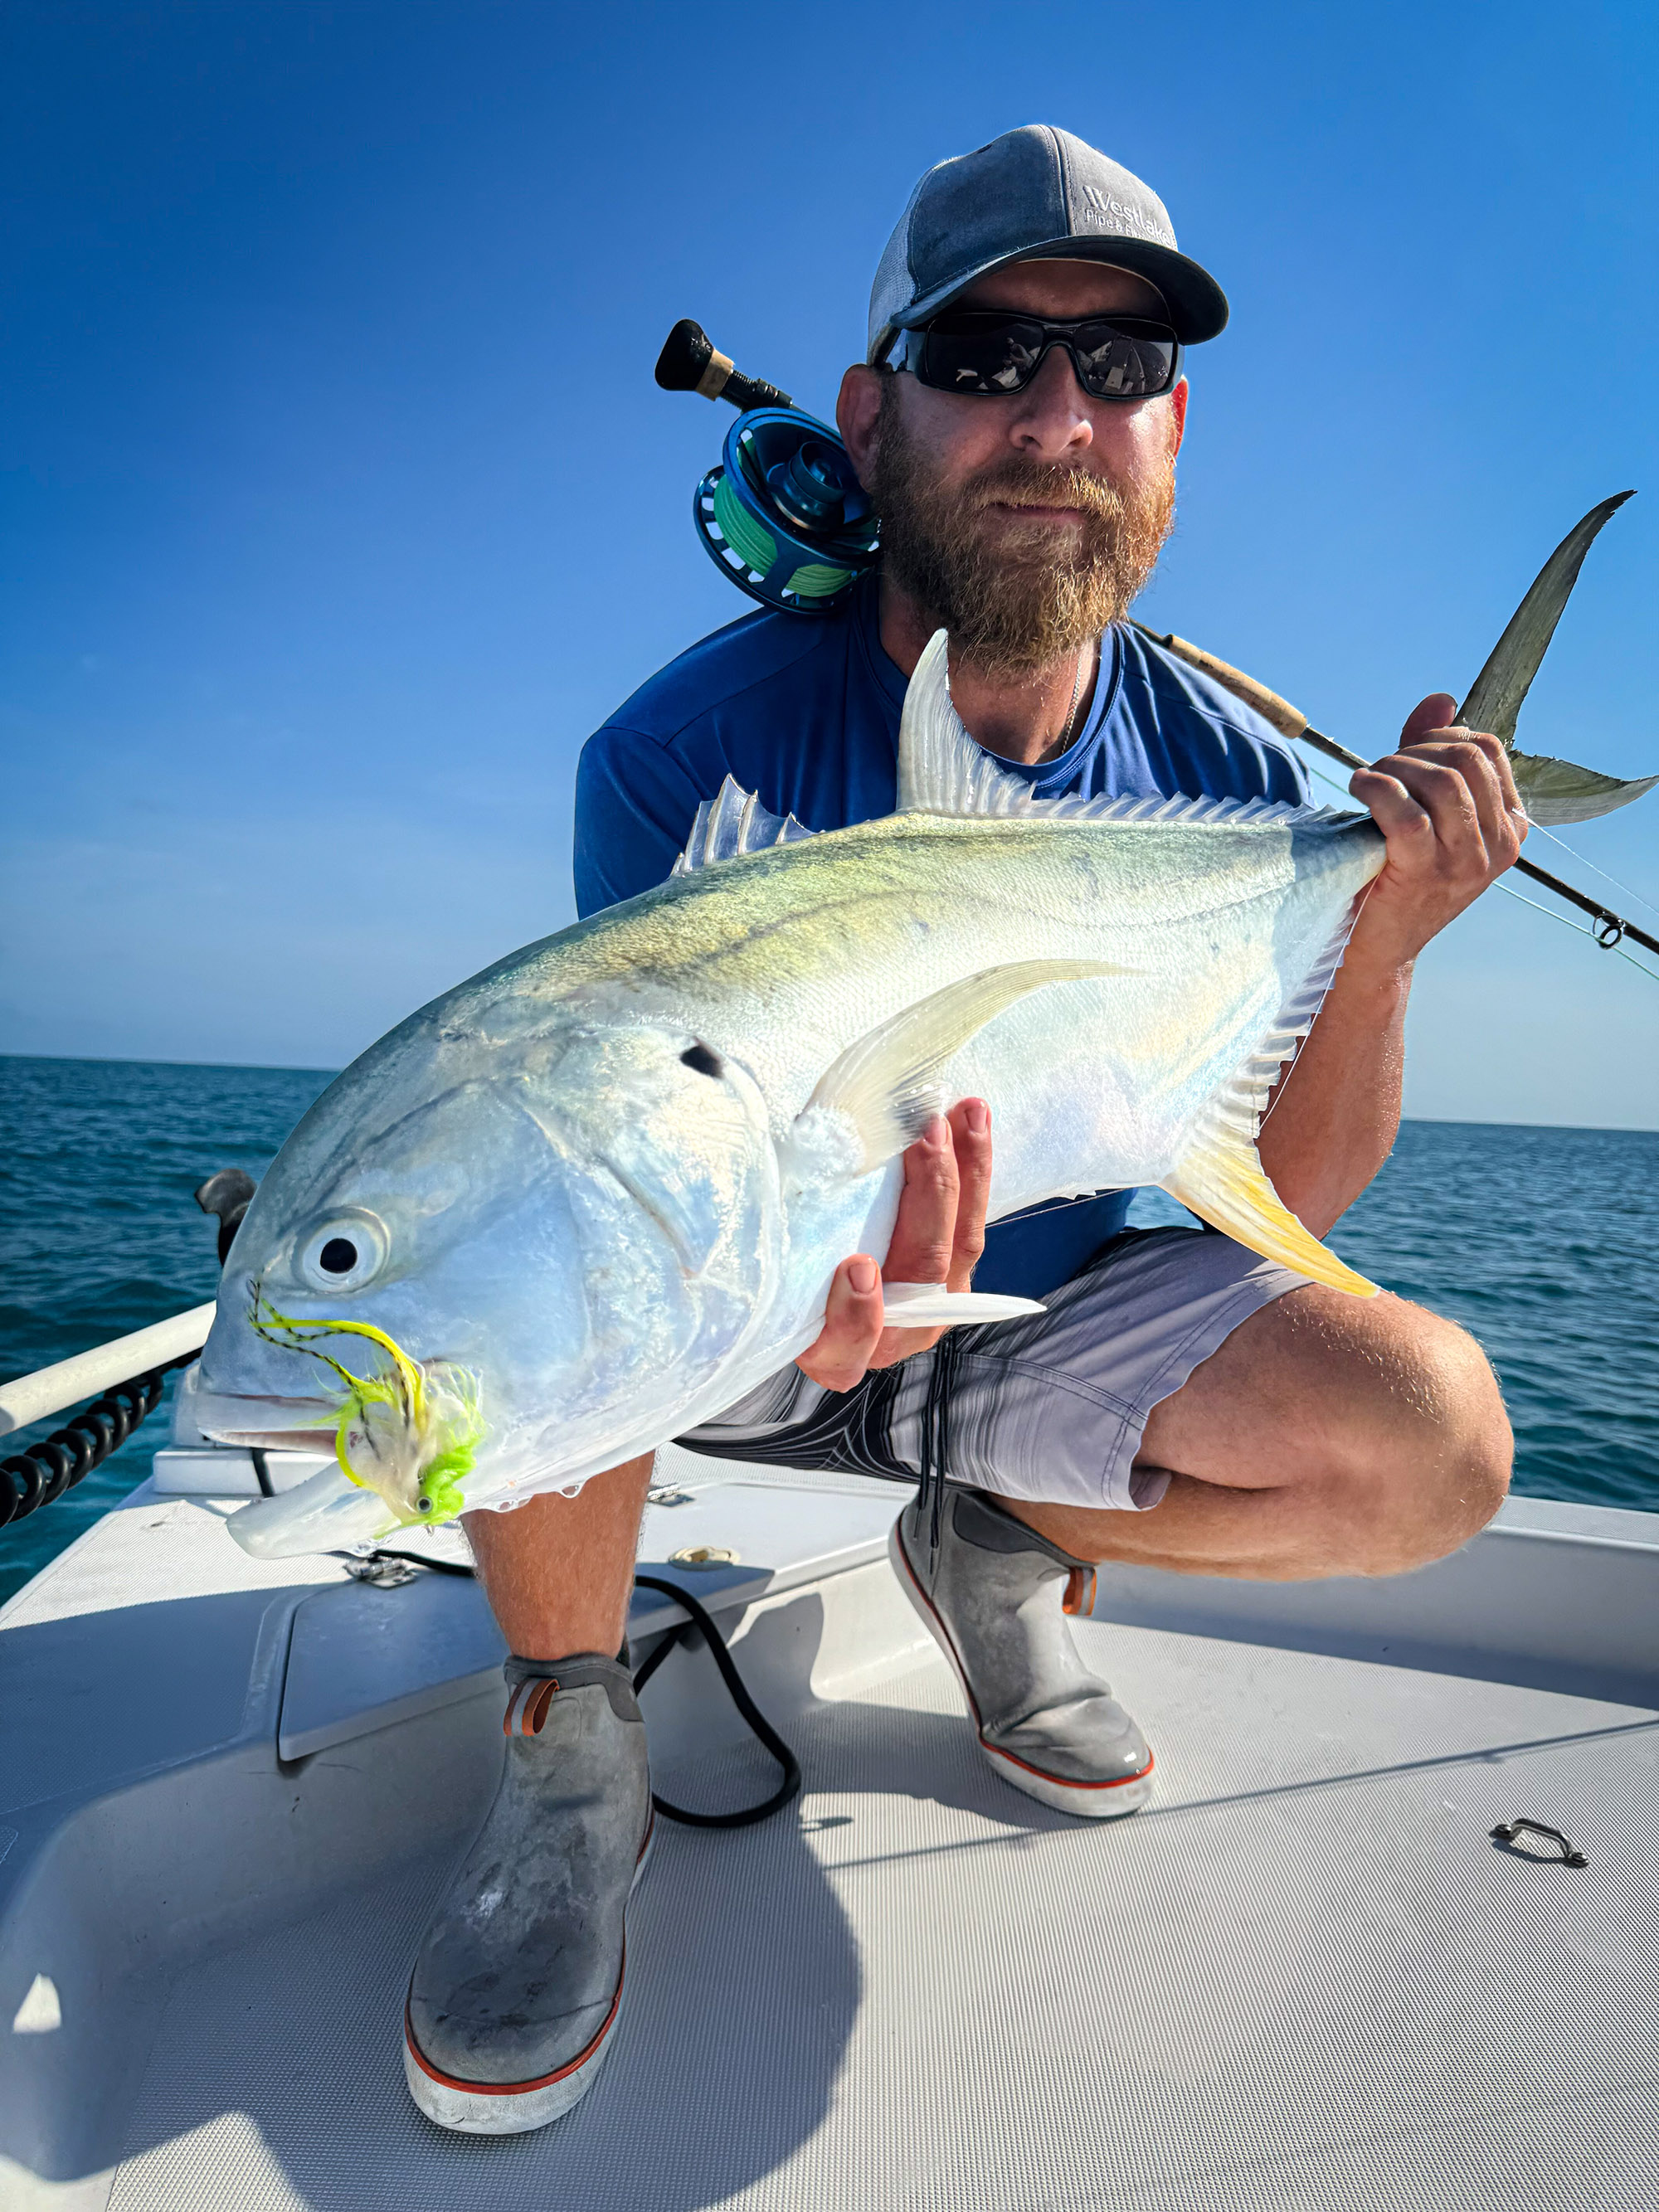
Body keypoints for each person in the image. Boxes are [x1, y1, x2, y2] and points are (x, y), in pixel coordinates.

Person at [401, 124, 1524, 2135]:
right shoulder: (682, 751)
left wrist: (1386, 935)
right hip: (746, 1325)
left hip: (1027, 1341)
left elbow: (1295, 1199)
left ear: (1173, 432)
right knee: (534, 1259)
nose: (1055, 417)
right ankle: (573, 1744)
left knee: (1431, 1439)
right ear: (873, 410)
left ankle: (990, 1531)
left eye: (1114, 371)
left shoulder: (1245, 780)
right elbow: (622, 1152)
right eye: (990, 357)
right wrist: (788, 1295)